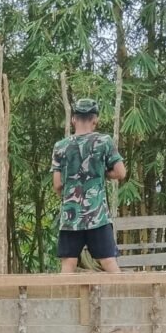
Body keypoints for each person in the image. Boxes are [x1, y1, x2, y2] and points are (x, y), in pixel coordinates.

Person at [50, 98, 127, 274]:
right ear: (95, 120)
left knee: (68, 264)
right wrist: (101, 173)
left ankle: (65, 301)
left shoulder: (60, 146)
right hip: (97, 214)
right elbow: (121, 173)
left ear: (73, 120)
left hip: (71, 217)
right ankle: (120, 299)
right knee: (109, 262)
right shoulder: (104, 141)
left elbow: (57, 184)